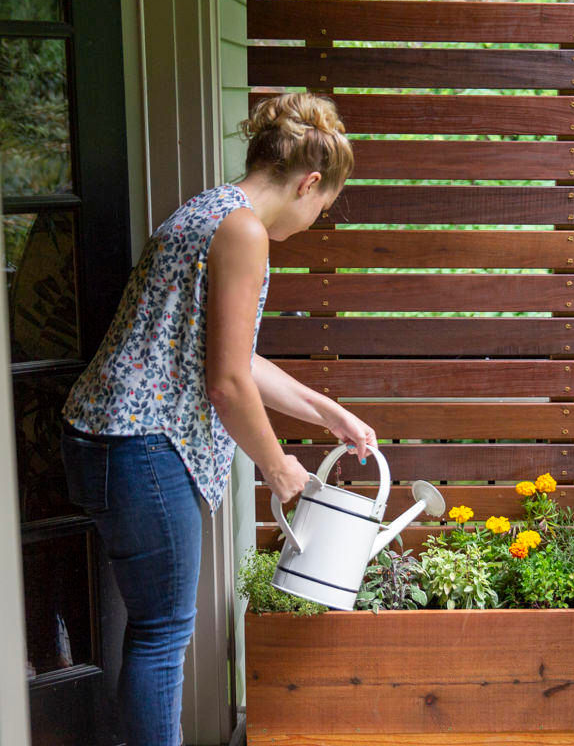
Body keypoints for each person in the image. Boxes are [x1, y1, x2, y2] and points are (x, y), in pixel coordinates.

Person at [60, 92, 374, 746]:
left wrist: (326, 411)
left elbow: (230, 355)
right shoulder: (244, 232)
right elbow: (227, 383)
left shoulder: (206, 211)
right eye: (324, 205)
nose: (317, 219)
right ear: (308, 182)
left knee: (149, 628)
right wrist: (280, 467)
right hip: (145, 446)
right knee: (162, 634)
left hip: (104, 436)